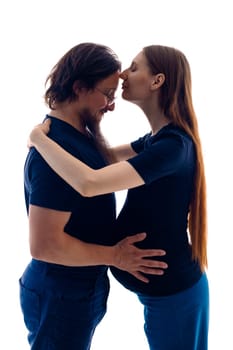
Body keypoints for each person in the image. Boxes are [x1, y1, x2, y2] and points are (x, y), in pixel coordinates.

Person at [28, 44, 209, 350]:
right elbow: (104, 159)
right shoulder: (156, 140)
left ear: (157, 81)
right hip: (161, 295)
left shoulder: (173, 147)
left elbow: (89, 182)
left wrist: (37, 139)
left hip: (175, 294)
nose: (124, 73)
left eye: (135, 67)